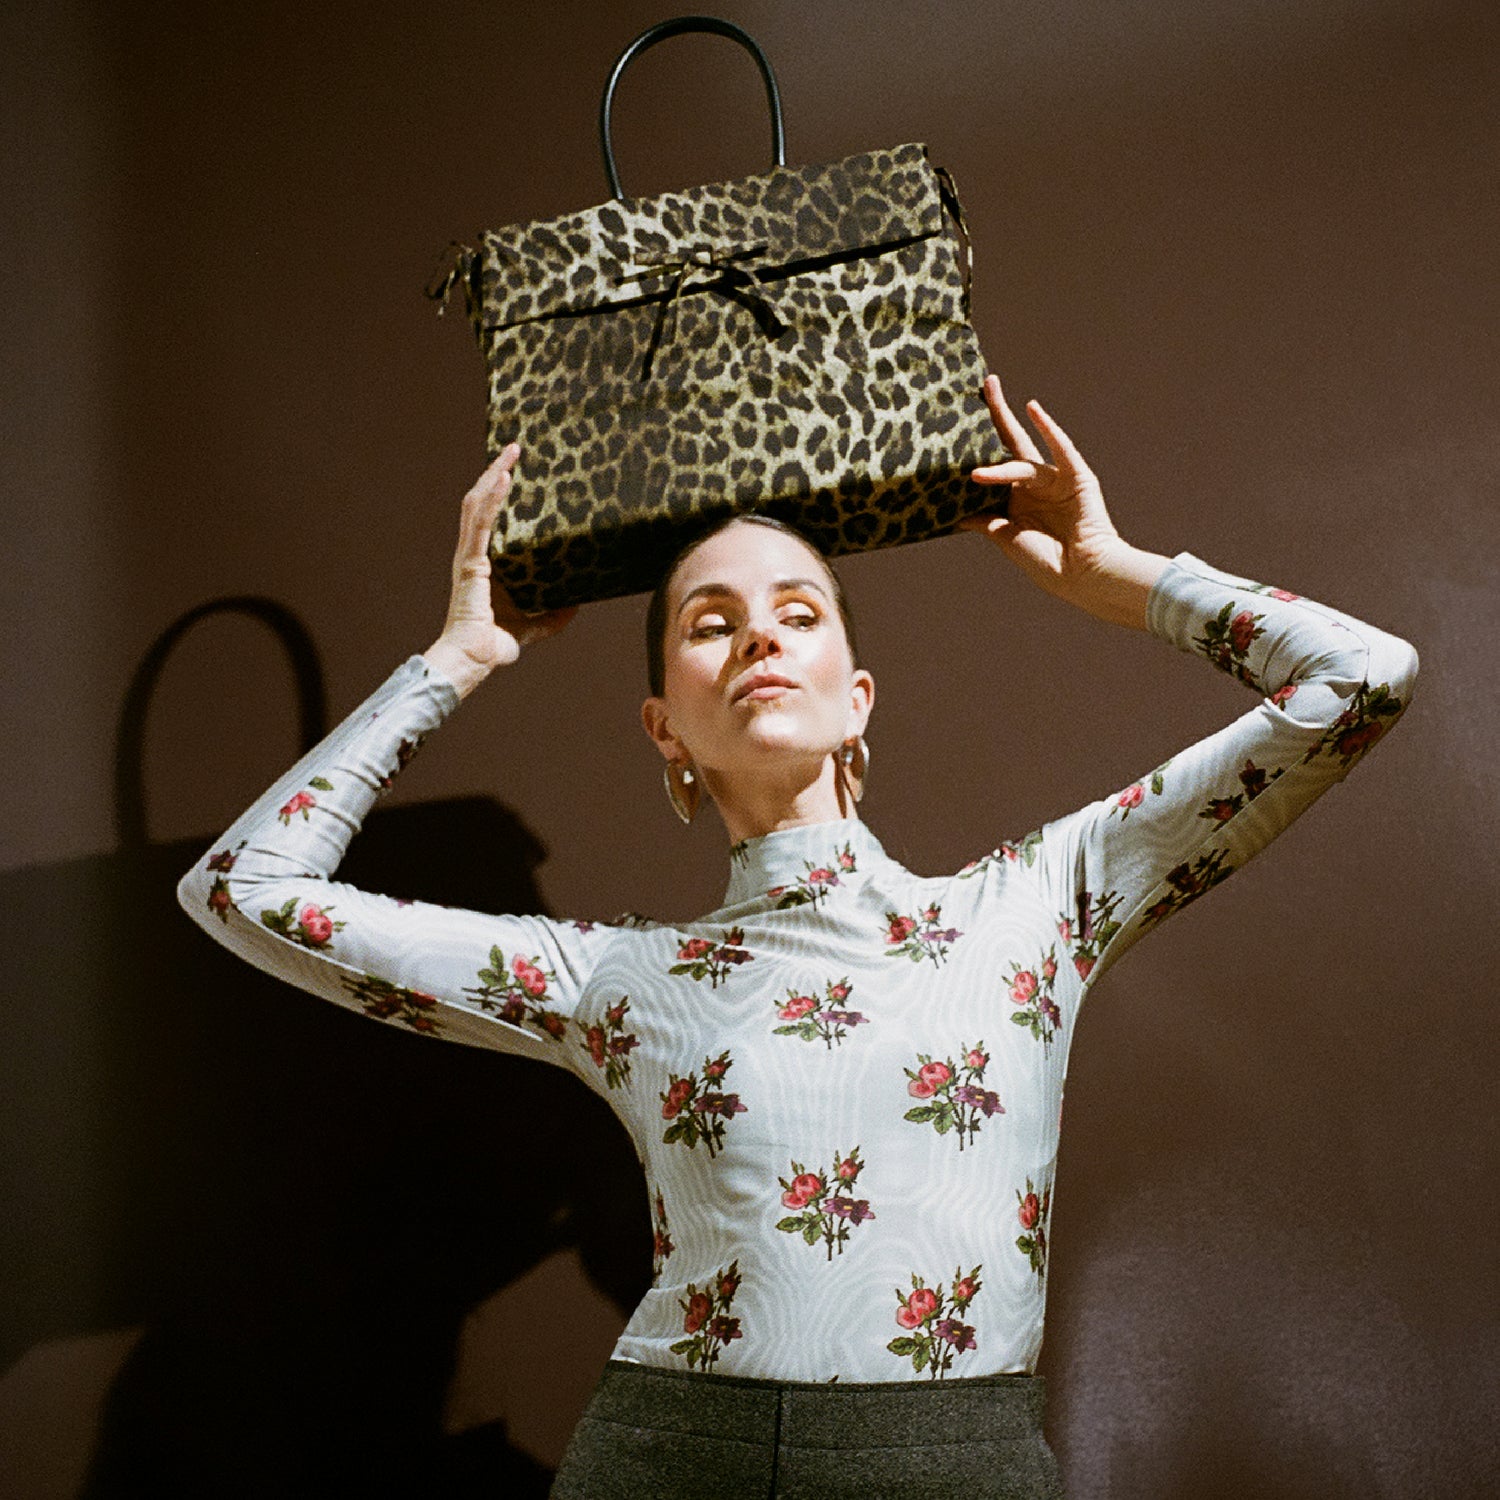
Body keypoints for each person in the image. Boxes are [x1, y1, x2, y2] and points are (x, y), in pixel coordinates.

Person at [178, 374, 1418, 1498]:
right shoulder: (614, 980)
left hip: (959, 1466)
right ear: (665, 728)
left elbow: (1362, 678)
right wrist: (458, 656)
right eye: (709, 623)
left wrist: (1116, 574)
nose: (759, 636)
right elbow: (243, 889)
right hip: (673, 1460)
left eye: (798, 612)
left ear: (857, 698)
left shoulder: (1037, 905)